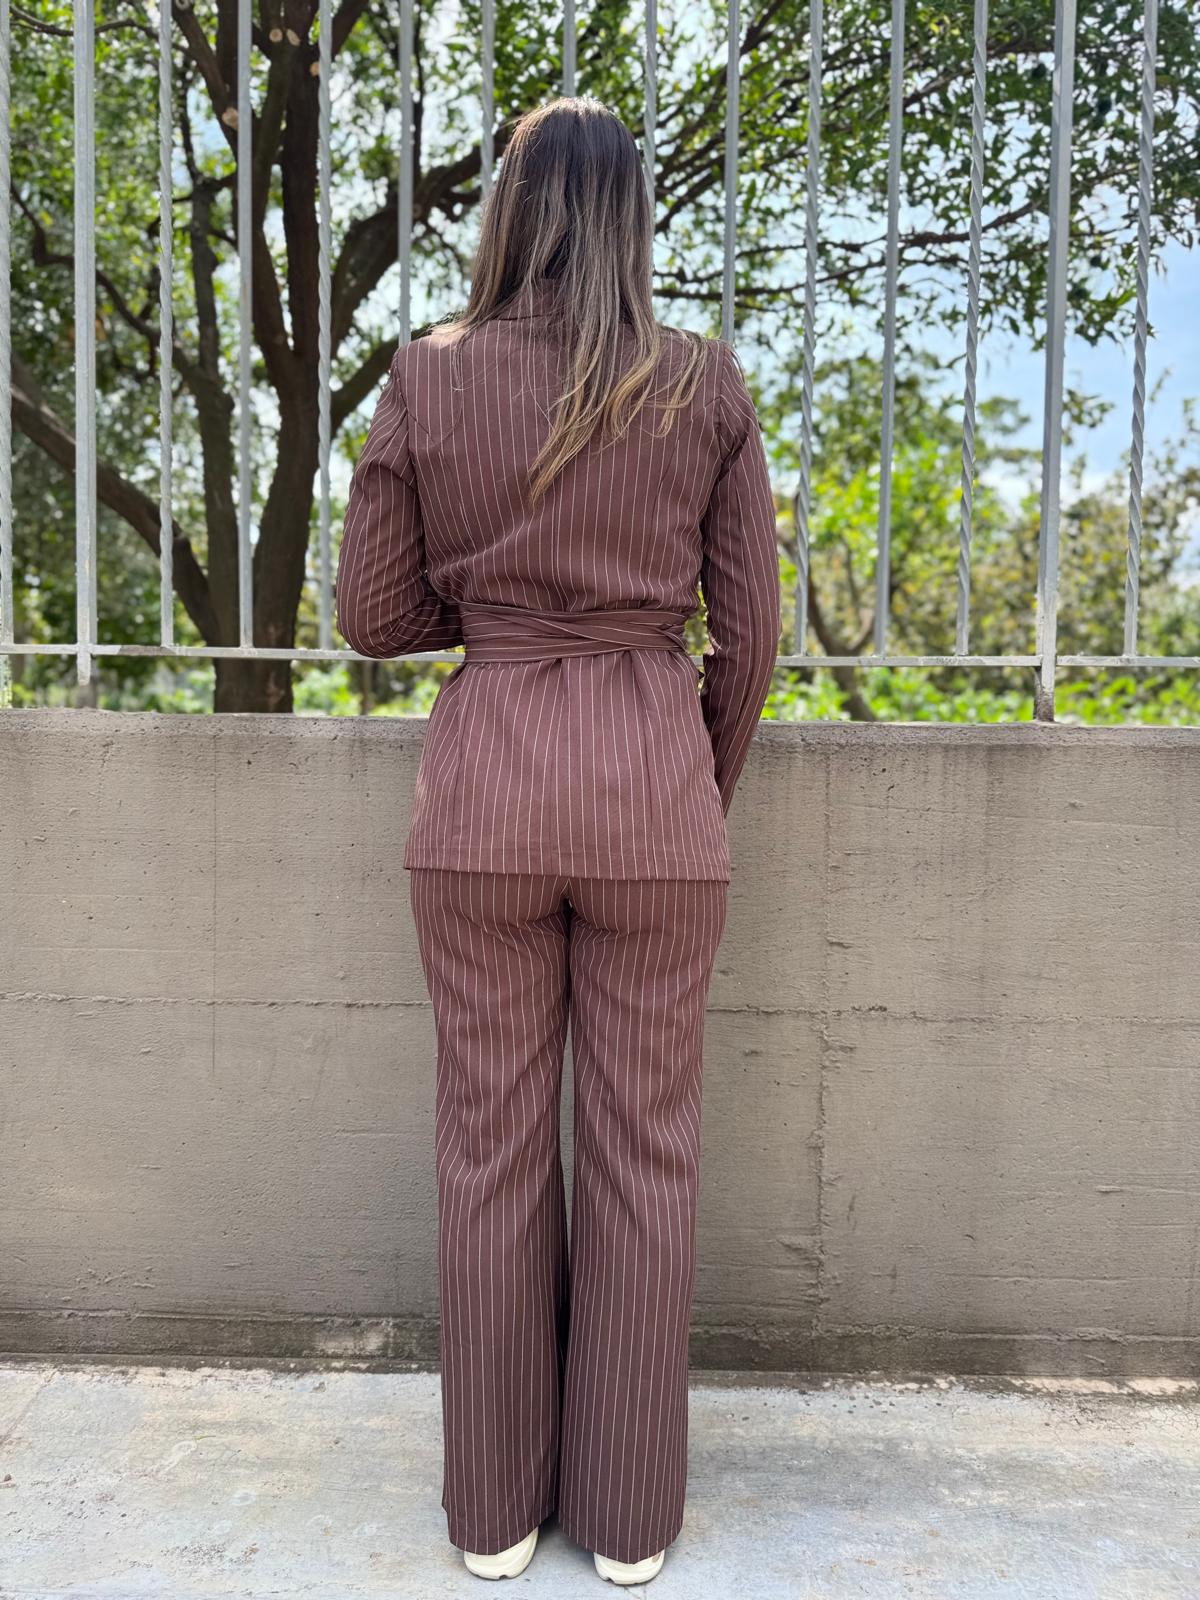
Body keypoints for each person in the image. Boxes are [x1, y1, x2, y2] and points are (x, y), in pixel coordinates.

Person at [336, 95, 781, 1587]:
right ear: (634, 217)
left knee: (490, 1151)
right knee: (647, 1153)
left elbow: (373, 614)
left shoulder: (427, 374)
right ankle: (631, 1521)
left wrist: (499, 619)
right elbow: (751, 638)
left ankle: (492, 1514)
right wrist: (689, 783)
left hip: (484, 796)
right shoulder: (704, 382)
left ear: (509, 212)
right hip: (655, 788)